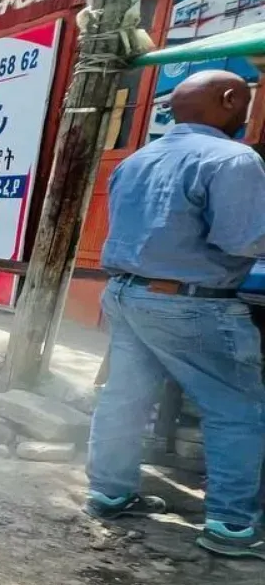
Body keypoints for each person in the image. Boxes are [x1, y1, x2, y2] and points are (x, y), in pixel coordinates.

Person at [86, 69, 265, 558]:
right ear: (231, 100)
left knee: (124, 398)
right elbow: (243, 239)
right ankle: (231, 526)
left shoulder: (138, 157)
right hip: (190, 304)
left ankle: (109, 492)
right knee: (235, 411)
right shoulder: (235, 158)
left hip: (125, 295)